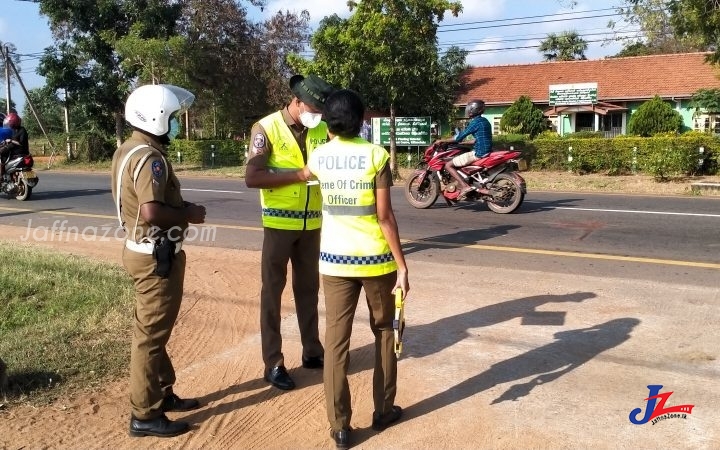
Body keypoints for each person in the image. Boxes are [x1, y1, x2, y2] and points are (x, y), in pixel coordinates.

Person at [303, 89, 410, 450]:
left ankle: (340, 427)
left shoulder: (320, 157)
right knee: (383, 330)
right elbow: (384, 216)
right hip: (376, 262)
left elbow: (302, 175)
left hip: (334, 261)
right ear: (361, 120)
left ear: (329, 122)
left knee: (336, 342)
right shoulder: (377, 156)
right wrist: (402, 265)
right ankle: (383, 411)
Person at [111, 84, 207, 438]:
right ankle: (145, 414)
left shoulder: (128, 148)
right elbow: (152, 211)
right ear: (158, 118)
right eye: (174, 118)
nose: (177, 124)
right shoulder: (150, 158)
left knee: (153, 330)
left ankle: (162, 393)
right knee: (150, 338)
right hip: (156, 258)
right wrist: (190, 213)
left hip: (140, 252)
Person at [245, 74, 335, 391]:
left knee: (309, 291)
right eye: (313, 108)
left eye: (321, 111)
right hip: (279, 224)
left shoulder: (323, 129)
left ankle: (312, 351)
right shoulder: (266, 128)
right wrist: (299, 174)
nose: (318, 116)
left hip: (312, 224)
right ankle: (273, 363)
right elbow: (252, 176)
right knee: (272, 294)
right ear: (296, 102)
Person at [439, 99, 493, 199]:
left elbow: (459, 136)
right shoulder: (485, 121)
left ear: (473, 110)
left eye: (469, 109)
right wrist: (463, 143)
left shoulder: (475, 122)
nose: (467, 111)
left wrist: (443, 140)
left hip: (478, 153)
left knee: (448, 165)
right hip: (487, 151)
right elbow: (477, 139)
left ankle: (464, 186)